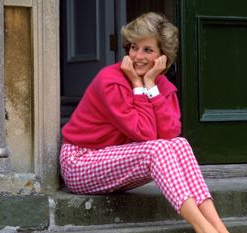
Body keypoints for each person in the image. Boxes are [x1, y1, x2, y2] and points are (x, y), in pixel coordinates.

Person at [59, 12, 230, 233]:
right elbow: (146, 134)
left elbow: (170, 134)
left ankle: (220, 229)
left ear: (162, 56)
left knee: (180, 144)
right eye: (133, 47)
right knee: (156, 149)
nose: (137, 56)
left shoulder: (161, 86)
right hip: (80, 162)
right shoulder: (110, 81)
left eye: (147, 50)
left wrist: (150, 84)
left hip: (117, 160)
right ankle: (203, 229)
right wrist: (139, 86)